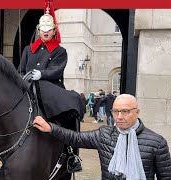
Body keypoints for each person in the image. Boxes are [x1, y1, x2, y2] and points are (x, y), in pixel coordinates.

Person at [33, 94, 171, 179]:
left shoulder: (157, 142)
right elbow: (76, 138)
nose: (119, 117)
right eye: (116, 111)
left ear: (137, 112)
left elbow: (166, 176)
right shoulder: (104, 134)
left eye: (125, 111)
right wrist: (51, 128)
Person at [19, 10, 80, 127]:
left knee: (69, 111)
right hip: (28, 88)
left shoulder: (60, 51)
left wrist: (42, 74)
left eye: (49, 30)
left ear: (54, 31)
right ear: (38, 30)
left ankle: (68, 143)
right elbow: (21, 70)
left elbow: (57, 70)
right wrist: (22, 78)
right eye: (43, 29)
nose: (45, 32)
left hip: (51, 89)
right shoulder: (28, 49)